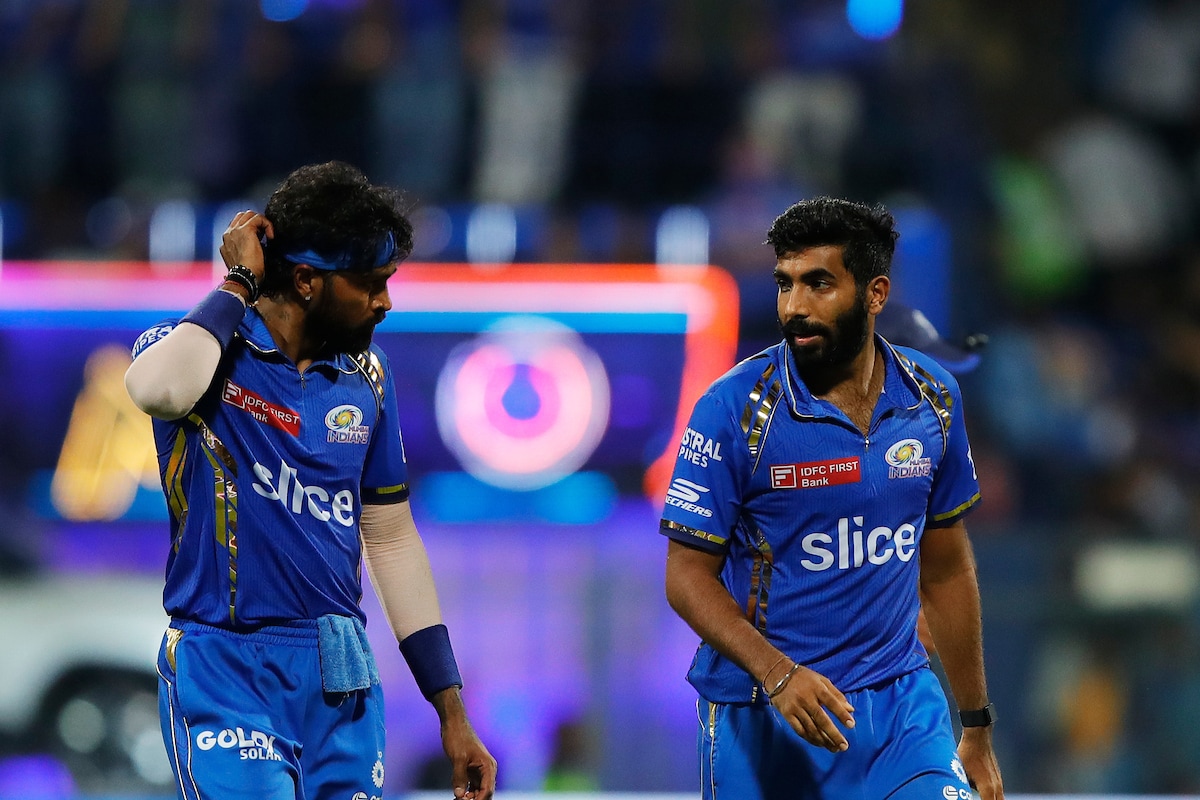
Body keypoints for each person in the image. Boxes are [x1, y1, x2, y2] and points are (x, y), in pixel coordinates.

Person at [124, 162, 497, 800]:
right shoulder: (199, 349)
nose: (385, 302)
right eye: (370, 284)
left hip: (340, 670)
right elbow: (159, 391)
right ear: (305, 281)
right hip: (225, 663)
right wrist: (238, 283)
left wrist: (451, 711)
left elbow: (391, 540)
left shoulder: (369, 378)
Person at [661, 197, 1004, 800]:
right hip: (765, 713)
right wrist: (778, 674)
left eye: (818, 284)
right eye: (785, 284)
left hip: (903, 709)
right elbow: (686, 577)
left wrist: (975, 724)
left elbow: (946, 569)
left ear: (875, 294)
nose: (794, 306)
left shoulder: (934, 397)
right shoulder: (731, 410)